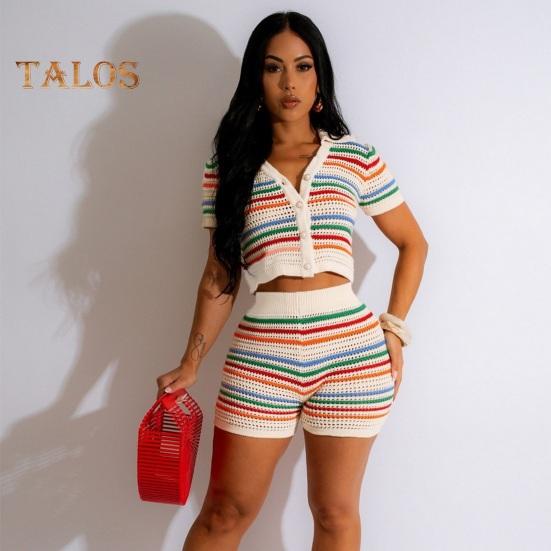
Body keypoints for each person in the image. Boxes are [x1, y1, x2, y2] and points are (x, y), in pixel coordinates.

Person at [157, 11, 428, 551]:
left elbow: (413, 243)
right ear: (256, 78)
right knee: (224, 512)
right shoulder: (229, 165)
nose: (289, 83)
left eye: (303, 67)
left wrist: (394, 329)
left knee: (334, 513)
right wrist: (192, 361)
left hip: (352, 355)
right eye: (273, 67)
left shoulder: (354, 157)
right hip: (263, 353)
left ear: (319, 76)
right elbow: (219, 273)